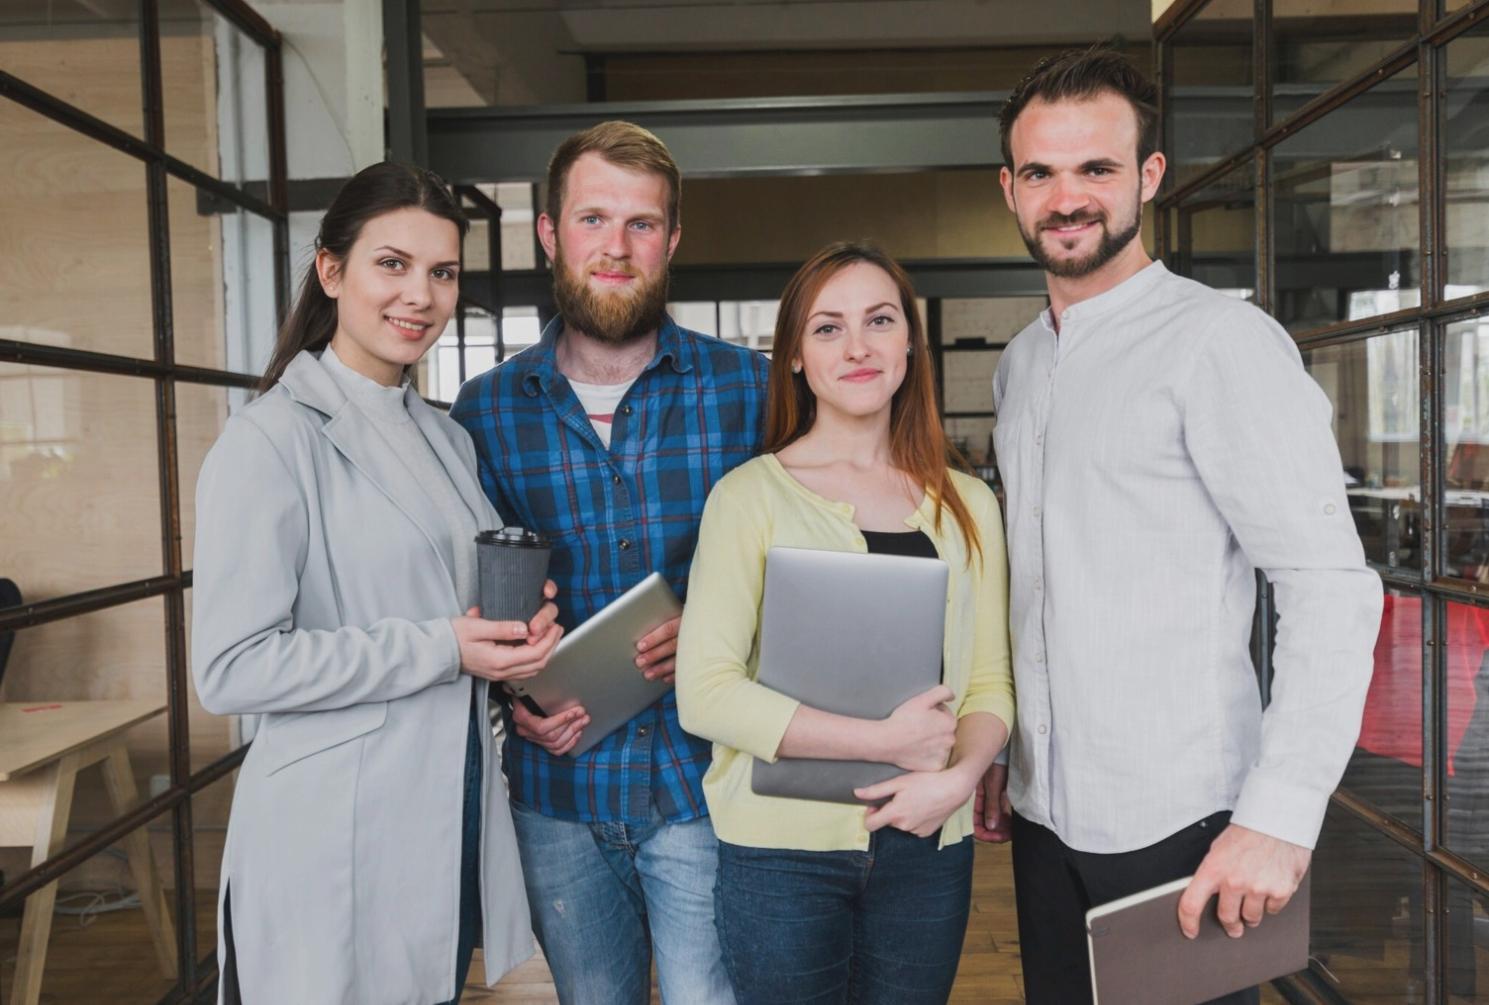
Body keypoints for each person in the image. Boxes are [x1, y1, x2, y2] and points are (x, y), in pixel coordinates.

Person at [974, 47, 1383, 1004]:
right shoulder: (1020, 364)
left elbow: (1328, 584)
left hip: (1183, 819)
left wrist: (1279, 815)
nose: (1066, 198)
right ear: (1009, 187)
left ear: (1148, 177)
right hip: (1041, 818)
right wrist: (1001, 747)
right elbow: (1035, 581)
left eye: (1096, 169)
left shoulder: (1220, 343)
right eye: (1040, 172)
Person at [191, 162, 563, 1005]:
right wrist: (444, 645)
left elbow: (447, 611)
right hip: (328, 839)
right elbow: (232, 667)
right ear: (332, 271)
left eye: (441, 272)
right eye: (391, 264)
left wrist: (512, 638)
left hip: (436, 824)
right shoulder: (270, 442)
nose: (420, 296)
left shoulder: (444, 435)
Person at [450, 121, 768, 1005]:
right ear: (550, 232)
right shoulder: (483, 412)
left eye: (641, 224)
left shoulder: (750, 389)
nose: (616, 248)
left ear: (672, 239)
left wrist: (718, 630)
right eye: (593, 219)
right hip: (556, 791)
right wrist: (512, 692)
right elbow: (463, 596)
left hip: (705, 783)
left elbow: (808, 556)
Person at [675, 241, 1016, 1004]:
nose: (857, 346)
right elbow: (705, 693)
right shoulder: (748, 497)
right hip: (778, 850)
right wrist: (885, 743)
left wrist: (956, 780)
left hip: (927, 841)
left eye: (879, 320)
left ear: (908, 343)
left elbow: (990, 682)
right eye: (828, 328)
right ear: (794, 355)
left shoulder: (970, 504)